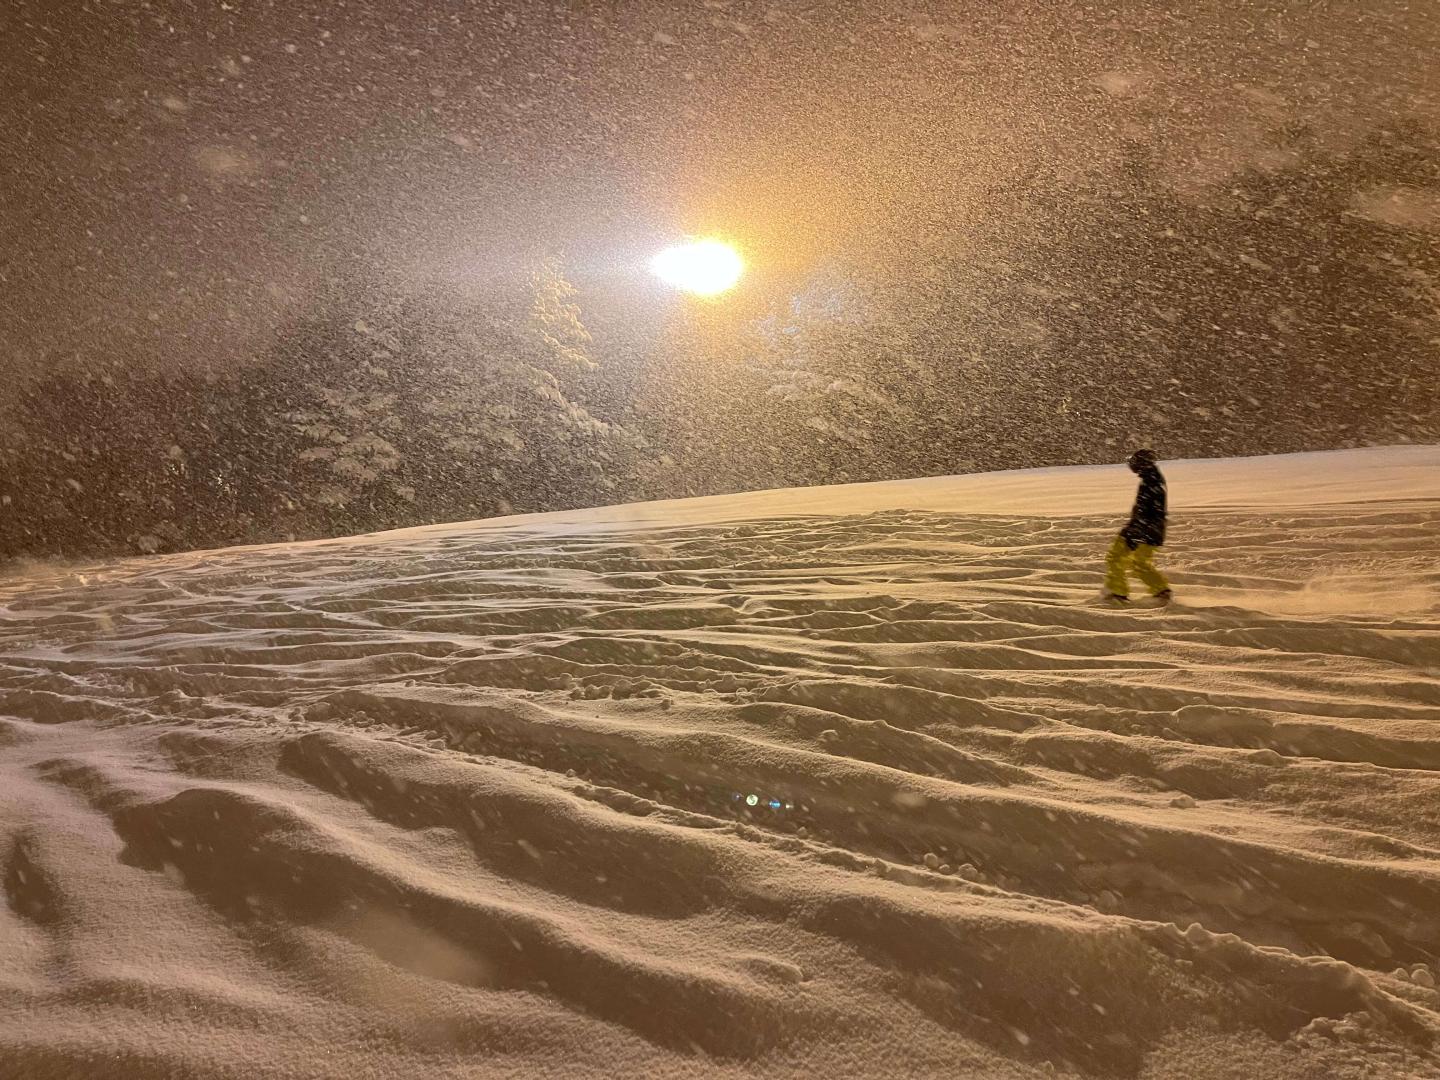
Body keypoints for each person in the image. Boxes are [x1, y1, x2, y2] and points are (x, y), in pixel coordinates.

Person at [1104, 448, 1172, 605]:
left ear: (1141, 464)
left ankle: (1118, 593)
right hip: (1147, 529)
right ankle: (1160, 591)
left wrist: (1136, 532)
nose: (1131, 466)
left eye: (1134, 462)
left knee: (1121, 559)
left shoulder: (1151, 483)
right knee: (1132, 562)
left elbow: (1148, 512)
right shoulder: (1152, 479)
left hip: (1144, 530)